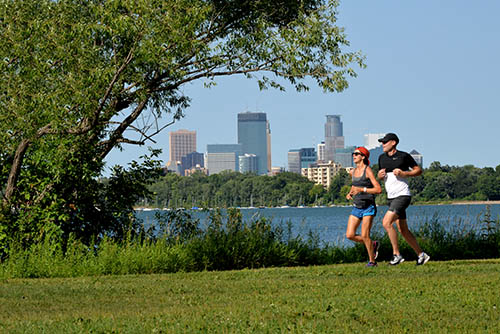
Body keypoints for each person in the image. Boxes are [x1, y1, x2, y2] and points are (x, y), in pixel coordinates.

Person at [377, 133, 430, 265]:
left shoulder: (404, 156)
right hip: (391, 197)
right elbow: (381, 177)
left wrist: (404, 173)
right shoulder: (381, 158)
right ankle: (421, 255)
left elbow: (418, 170)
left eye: (385, 142)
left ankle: (397, 255)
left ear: (393, 142)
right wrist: (379, 175)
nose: (382, 144)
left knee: (386, 223)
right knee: (403, 230)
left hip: (402, 196)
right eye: (382, 142)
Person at [346, 147, 382, 267]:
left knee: (365, 235)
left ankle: (372, 261)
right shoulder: (353, 171)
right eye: (353, 154)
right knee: (350, 235)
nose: (354, 156)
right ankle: (373, 244)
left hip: (368, 207)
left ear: (363, 157)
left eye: (356, 154)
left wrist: (362, 189)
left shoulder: (368, 171)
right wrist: (350, 193)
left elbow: (378, 189)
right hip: (357, 207)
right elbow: (354, 185)